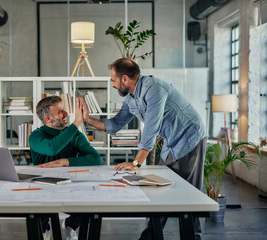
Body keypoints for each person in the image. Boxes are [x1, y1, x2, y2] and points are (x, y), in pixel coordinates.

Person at [81, 58, 207, 240]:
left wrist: (135, 163)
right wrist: (88, 119)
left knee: (188, 195)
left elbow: (151, 128)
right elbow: (116, 124)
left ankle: (192, 236)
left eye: (113, 80)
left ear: (124, 79)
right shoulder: (131, 98)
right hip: (171, 141)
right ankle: (151, 234)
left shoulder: (154, 88)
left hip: (190, 137)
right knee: (161, 189)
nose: (113, 85)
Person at [29, 96, 101, 240]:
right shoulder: (35, 136)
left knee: (90, 196)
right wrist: (77, 122)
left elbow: (96, 159)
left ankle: (71, 225)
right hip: (43, 187)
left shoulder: (74, 135)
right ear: (48, 119)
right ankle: (45, 228)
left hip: (69, 185)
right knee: (38, 206)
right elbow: (51, 149)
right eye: (60, 111)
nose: (66, 114)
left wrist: (64, 161)